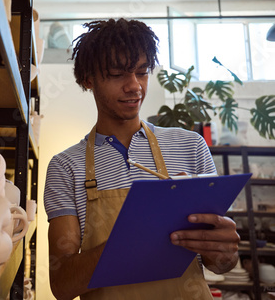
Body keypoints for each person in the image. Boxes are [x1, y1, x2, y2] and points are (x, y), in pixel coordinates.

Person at [44, 18, 240, 300]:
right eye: (117, 74)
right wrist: (138, 235)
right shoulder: (66, 167)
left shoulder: (190, 147)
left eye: (142, 72)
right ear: (88, 79)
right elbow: (62, 284)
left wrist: (225, 252)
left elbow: (221, 264)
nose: (134, 86)